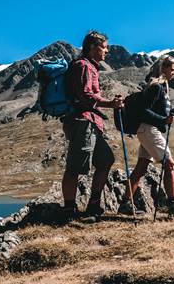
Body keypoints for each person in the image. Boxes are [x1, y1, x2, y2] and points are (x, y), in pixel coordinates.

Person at [118, 55, 174, 217]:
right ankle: (173, 204)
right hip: (148, 129)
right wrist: (163, 120)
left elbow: (166, 113)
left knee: (141, 167)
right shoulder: (156, 87)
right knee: (169, 163)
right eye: (172, 69)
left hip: (148, 130)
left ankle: (125, 203)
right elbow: (144, 112)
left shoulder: (162, 88)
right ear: (163, 69)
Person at [61, 31, 123, 220]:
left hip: (90, 122)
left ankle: (93, 206)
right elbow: (86, 96)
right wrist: (110, 104)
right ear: (93, 47)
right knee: (74, 168)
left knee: (105, 160)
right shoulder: (84, 66)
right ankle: (69, 211)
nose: (106, 51)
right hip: (82, 122)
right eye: (103, 47)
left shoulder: (90, 67)